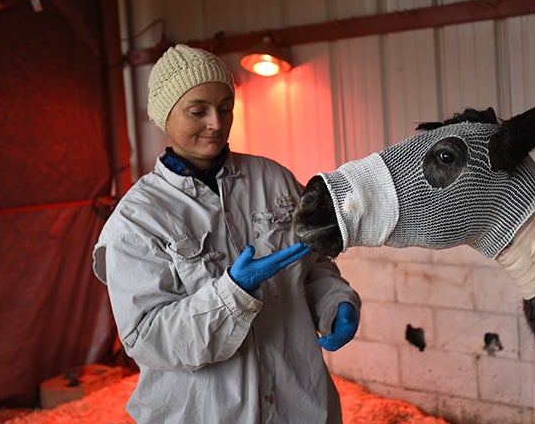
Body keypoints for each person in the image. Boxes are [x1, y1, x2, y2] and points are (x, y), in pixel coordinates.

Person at [93, 44, 361, 424]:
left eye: (225, 108)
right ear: (163, 116)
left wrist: (336, 302)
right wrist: (231, 295)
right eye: (197, 111)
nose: (216, 123)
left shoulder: (275, 180)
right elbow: (148, 338)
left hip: (300, 405)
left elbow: (313, 267)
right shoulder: (138, 219)